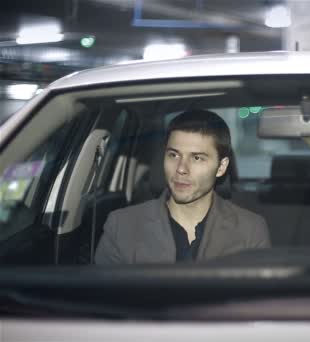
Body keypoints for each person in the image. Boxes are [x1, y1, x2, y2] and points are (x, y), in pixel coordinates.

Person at [95, 109, 271, 264]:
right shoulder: (121, 226)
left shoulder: (250, 229)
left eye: (197, 158)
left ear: (221, 167)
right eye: (173, 155)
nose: (181, 168)